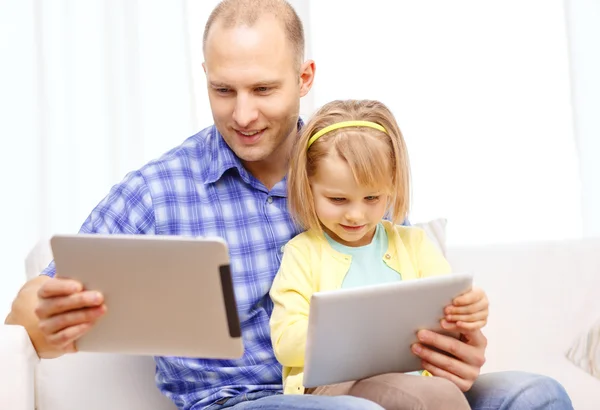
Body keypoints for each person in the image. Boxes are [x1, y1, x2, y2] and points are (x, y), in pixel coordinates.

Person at [4, 0, 573, 409]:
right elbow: (28, 313)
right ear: (203, 78)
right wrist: (40, 317)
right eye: (223, 90)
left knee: (536, 394)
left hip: (380, 383)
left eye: (263, 89)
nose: (243, 114)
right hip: (241, 401)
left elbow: (403, 296)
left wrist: (454, 352)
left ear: (305, 78)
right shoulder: (158, 193)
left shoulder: (349, 166)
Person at [269, 99, 488, 410]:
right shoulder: (303, 253)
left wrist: (470, 311)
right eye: (338, 199)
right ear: (308, 187)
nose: (356, 215)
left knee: (450, 392)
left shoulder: (414, 244)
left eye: (372, 197)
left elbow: (447, 315)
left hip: (411, 380)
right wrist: (356, 331)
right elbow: (285, 344)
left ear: (392, 187)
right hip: (330, 388)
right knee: (437, 397)